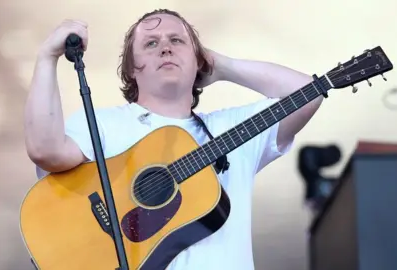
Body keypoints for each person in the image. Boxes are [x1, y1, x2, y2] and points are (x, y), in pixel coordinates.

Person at [24, 9, 323, 270]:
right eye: (151, 43)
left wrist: (222, 66)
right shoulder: (103, 123)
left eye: (177, 41)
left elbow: (308, 93)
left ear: (199, 61)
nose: (165, 48)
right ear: (131, 69)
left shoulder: (228, 128)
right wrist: (47, 56)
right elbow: (44, 149)